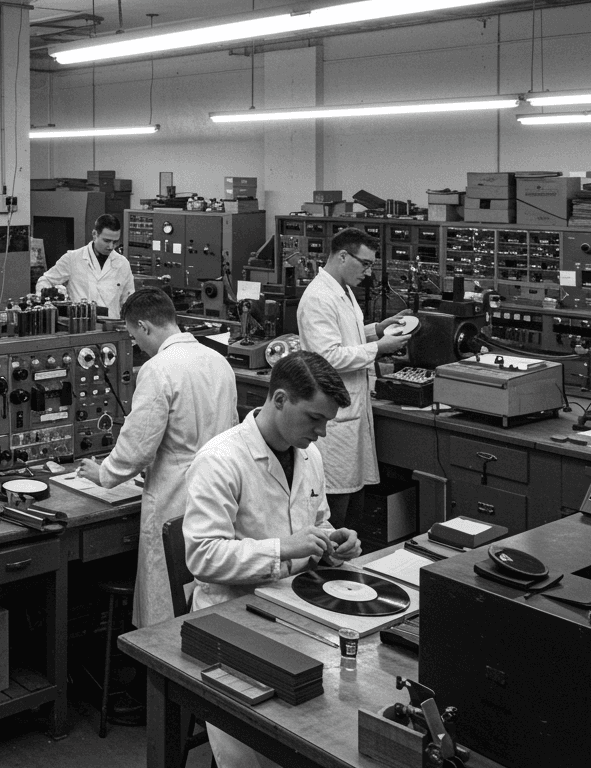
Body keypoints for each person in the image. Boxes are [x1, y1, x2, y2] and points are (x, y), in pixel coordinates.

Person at [183, 351, 362, 768]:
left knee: (338, 713)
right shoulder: (220, 460)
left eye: (326, 422)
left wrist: (333, 543)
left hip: (293, 606)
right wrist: (284, 548)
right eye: (314, 418)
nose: (321, 432)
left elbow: (316, 521)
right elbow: (203, 556)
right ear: (279, 399)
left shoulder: (308, 454)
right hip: (231, 616)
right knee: (262, 749)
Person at [76, 288, 237, 629]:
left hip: (174, 493)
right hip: (219, 490)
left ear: (145, 327)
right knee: (204, 591)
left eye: (134, 338)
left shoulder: (158, 368)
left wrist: (103, 473)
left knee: (166, 596)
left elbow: (138, 446)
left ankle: (157, 656)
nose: (136, 346)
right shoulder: (218, 360)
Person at [296, 227, 411, 527]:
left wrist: (377, 329)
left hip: (352, 412)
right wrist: (379, 347)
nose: (369, 272)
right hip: (334, 419)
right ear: (343, 256)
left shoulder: (343, 291)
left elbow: (347, 336)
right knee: (335, 512)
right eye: (366, 264)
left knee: (353, 507)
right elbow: (328, 357)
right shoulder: (319, 298)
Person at [35, 213, 135, 319]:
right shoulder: (72, 258)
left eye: (115, 242)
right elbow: (45, 280)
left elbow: (129, 301)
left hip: (111, 325)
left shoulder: (122, 264)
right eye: (106, 241)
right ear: (94, 234)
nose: (111, 246)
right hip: (80, 324)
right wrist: (48, 298)